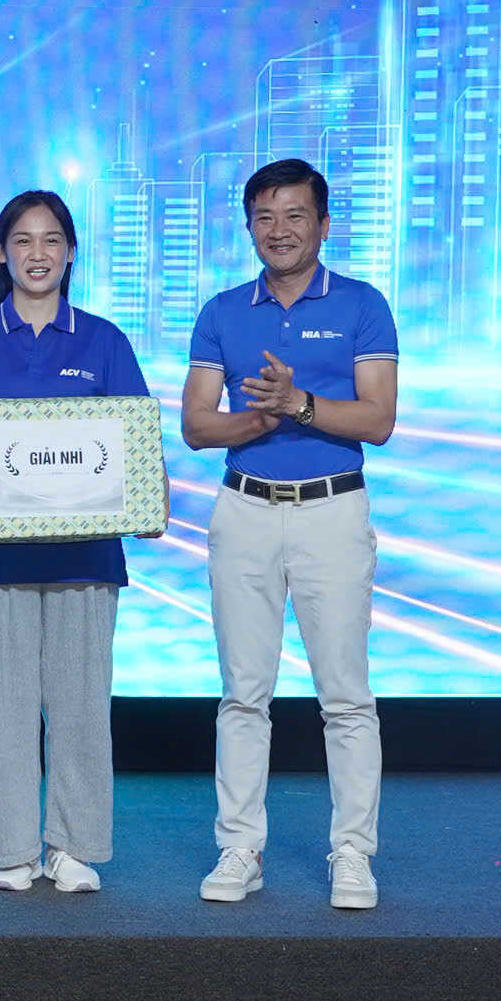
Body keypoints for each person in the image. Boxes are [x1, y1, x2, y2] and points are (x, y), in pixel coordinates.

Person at [0, 191, 147, 894]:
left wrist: (152, 501)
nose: (37, 253)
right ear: (1, 253)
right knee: (2, 711)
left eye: (51, 240)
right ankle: (13, 850)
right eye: (22, 240)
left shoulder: (104, 340)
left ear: (70, 252)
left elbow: (135, 437)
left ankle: (74, 847)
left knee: (81, 710)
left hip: (87, 560)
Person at [181, 157, 398, 911]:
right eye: (264, 218)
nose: (280, 230)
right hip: (243, 509)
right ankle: (240, 848)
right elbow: (197, 424)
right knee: (243, 694)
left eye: (295, 215)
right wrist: (261, 418)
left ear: (324, 225)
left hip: (331, 511)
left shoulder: (363, 304)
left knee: (346, 696)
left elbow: (378, 419)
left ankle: (353, 854)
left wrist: (299, 403)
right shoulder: (222, 312)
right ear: (249, 229)